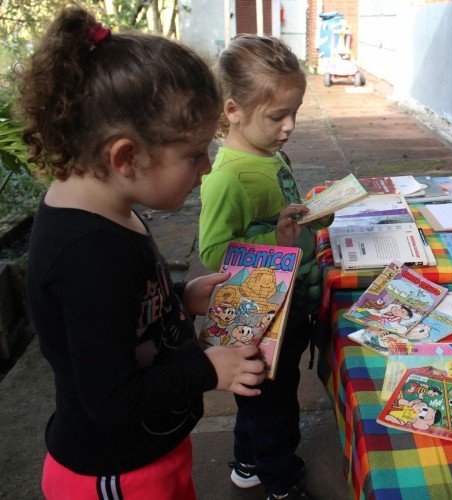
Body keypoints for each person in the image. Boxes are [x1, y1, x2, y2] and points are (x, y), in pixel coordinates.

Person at [18, 7, 267, 499]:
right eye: (194, 153)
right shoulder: (88, 257)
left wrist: (180, 297)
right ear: (126, 157)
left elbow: (120, 315)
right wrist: (208, 369)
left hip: (149, 452)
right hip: (116, 473)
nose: (207, 165)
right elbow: (111, 397)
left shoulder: (109, 207)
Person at [199, 35, 333, 499]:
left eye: (294, 111)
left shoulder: (269, 154)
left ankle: (248, 464)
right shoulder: (227, 178)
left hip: (290, 308)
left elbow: (280, 213)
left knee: (259, 400)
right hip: (263, 320)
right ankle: (281, 481)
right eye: (277, 115)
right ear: (233, 109)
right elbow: (214, 253)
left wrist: (311, 211)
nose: (290, 125)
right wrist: (274, 240)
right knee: (273, 407)